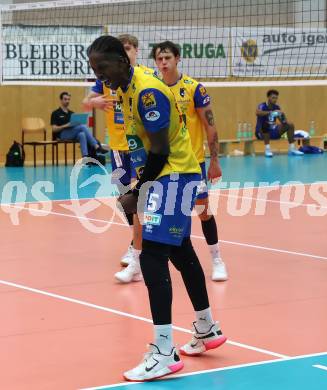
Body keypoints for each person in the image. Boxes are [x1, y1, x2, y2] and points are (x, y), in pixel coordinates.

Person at [87, 35, 227, 382]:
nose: (101, 76)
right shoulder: (123, 87)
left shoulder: (148, 91)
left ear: (123, 60)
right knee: (180, 250)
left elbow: (161, 149)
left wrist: (136, 189)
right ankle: (207, 328)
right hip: (167, 176)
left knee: (151, 254)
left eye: (104, 68)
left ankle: (164, 350)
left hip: (173, 175)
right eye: (94, 70)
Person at [151, 41, 228, 282]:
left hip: (193, 165)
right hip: (164, 166)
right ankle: (160, 261)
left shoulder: (194, 89)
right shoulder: (151, 89)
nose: (163, 63)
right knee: (167, 216)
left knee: (203, 212)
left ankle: (217, 259)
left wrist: (214, 160)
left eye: (167, 58)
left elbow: (210, 126)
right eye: (159, 59)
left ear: (177, 58)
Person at [83, 34, 154, 273]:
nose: (126, 52)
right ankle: (139, 238)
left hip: (139, 147)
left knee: (140, 196)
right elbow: (86, 101)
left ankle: (139, 244)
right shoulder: (106, 78)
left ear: (134, 51)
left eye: (129, 48)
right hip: (117, 146)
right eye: (123, 48)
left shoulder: (145, 78)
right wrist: (96, 102)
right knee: (124, 199)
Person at [51, 92, 107, 158]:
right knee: (82, 127)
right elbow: (54, 129)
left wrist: (77, 123)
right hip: (61, 135)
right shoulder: (55, 113)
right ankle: (96, 146)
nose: (67, 101)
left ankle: (85, 157)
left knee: (82, 134)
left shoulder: (71, 113)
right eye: (65, 99)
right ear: (61, 100)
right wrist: (66, 125)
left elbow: (73, 126)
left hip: (72, 133)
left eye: (68, 99)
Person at [256, 90, 304, 157]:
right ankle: (267, 149)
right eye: (273, 98)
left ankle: (292, 148)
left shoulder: (277, 107)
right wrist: (270, 112)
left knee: (290, 125)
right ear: (268, 97)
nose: (275, 100)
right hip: (261, 133)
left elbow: (283, 122)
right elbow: (258, 113)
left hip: (273, 131)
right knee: (265, 124)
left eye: (276, 98)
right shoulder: (262, 106)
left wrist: (282, 115)